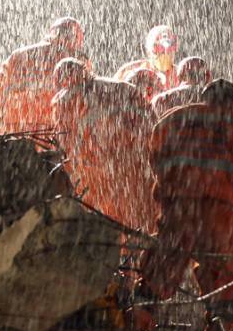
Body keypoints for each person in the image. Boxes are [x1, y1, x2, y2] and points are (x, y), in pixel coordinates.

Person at [136, 79, 233, 331]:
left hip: (179, 210)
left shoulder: (177, 118)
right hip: (220, 216)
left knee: (155, 278)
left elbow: (154, 155)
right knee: (221, 295)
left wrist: (173, 183)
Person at [50, 57, 156, 233]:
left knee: (105, 227)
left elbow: (64, 143)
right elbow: (152, 125)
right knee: (141, 222)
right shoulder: (124, 87)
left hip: (98, 174)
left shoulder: (64, 99)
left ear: (61, 80)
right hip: (135, 167)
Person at [0, 17, 86, 134]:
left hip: (13, 133)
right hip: (53, 135)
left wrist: (4, 122)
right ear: (77, 39)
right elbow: (86, 105)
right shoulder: (78, 62)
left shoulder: (19, 56)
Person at [114, 24, 179, 90]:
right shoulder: (129, 70)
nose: (165, 55)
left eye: (169, 52)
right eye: (161, 52)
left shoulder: (180, 75)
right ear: (149, 52)